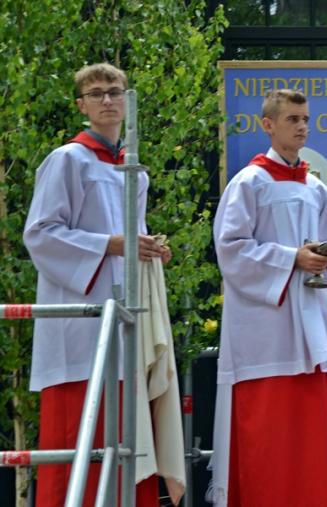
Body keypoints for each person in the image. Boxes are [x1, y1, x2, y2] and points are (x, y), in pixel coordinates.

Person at [23, 63, 171, 506]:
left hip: (126, 322)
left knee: (127, 442)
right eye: (96, 93)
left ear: (126, 100)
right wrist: (111, 245)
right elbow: (40, 234)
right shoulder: (67, 159)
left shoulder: (134, 171)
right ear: (81, 106)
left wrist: (150, 250)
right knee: (79, 443)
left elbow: (130, 238)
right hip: (80, 330)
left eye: (115, 91)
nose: (107, 100)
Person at [210, 89, 327, 506]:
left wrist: (323, 261)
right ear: (268, 125)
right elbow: (230, 249)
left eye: (305, 119)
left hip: (310, 331)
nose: (302, 127)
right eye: (292, 119)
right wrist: (292, 258)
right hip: (266, 335)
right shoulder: (249, 183)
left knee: (309, 444)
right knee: (268, 442)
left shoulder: (315, 188)